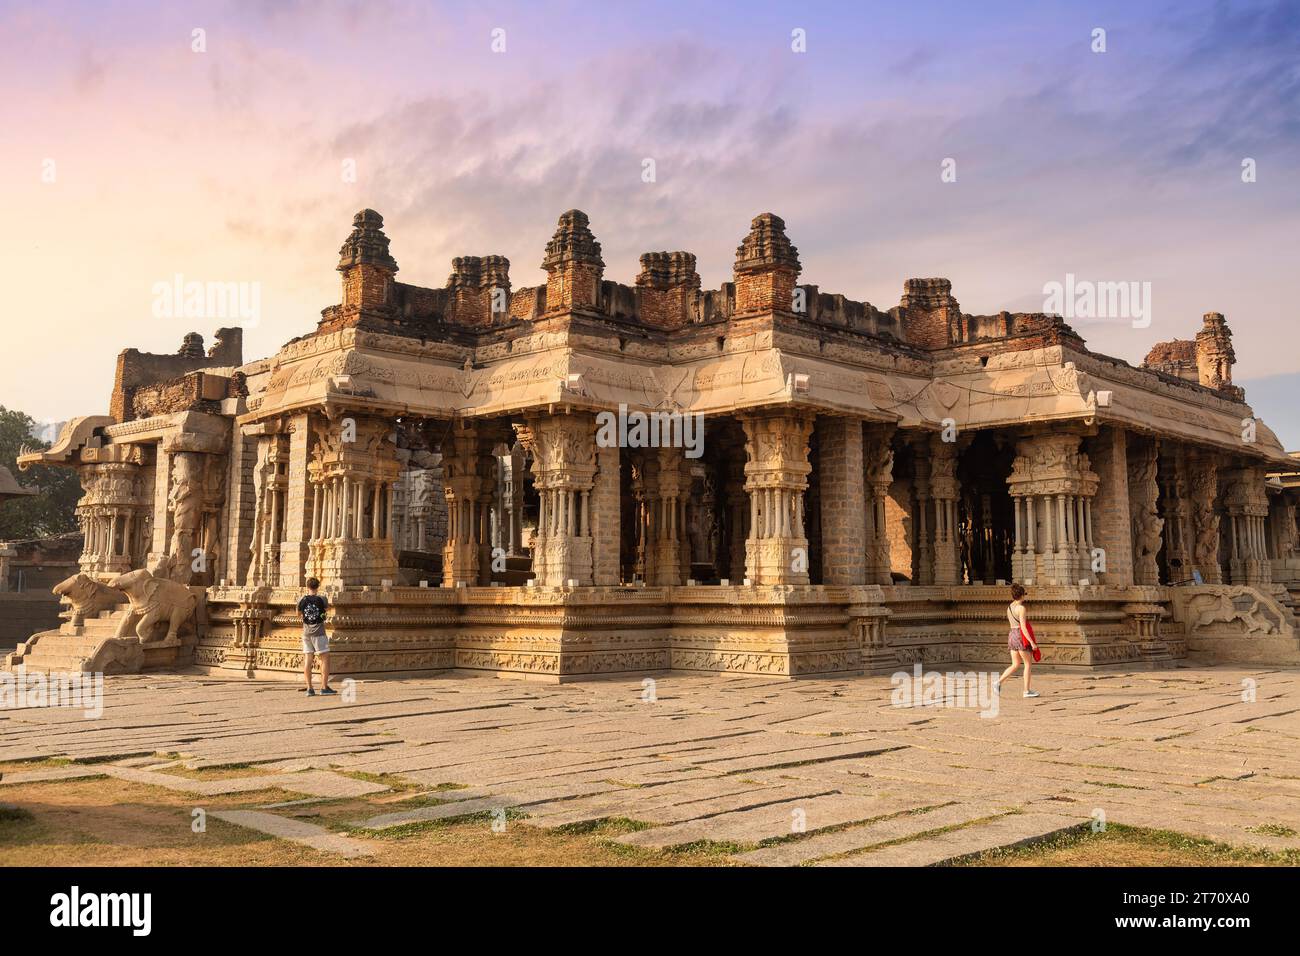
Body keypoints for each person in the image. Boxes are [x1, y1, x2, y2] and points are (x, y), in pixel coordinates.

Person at [996, 583, 1039, 698]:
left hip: (1012, 635)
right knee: (1028, 664)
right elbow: (1023, 627)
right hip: (1020, 636)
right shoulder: (1021, 608)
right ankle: (1026, 690)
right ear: (1022, 595)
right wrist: (1032, 642)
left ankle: (998, 682)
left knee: (1015, 664)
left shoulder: (1009, 607)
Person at [297, 578, 334, 696]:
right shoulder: (322, 599)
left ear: (307, 586)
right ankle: (323, 687)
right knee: (325, 659)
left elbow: (298, 614)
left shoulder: (301, 600)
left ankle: (310, 688)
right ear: (318, 586)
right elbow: (326, 610)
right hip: (319, 632)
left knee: (308, 660)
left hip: (306, 632)